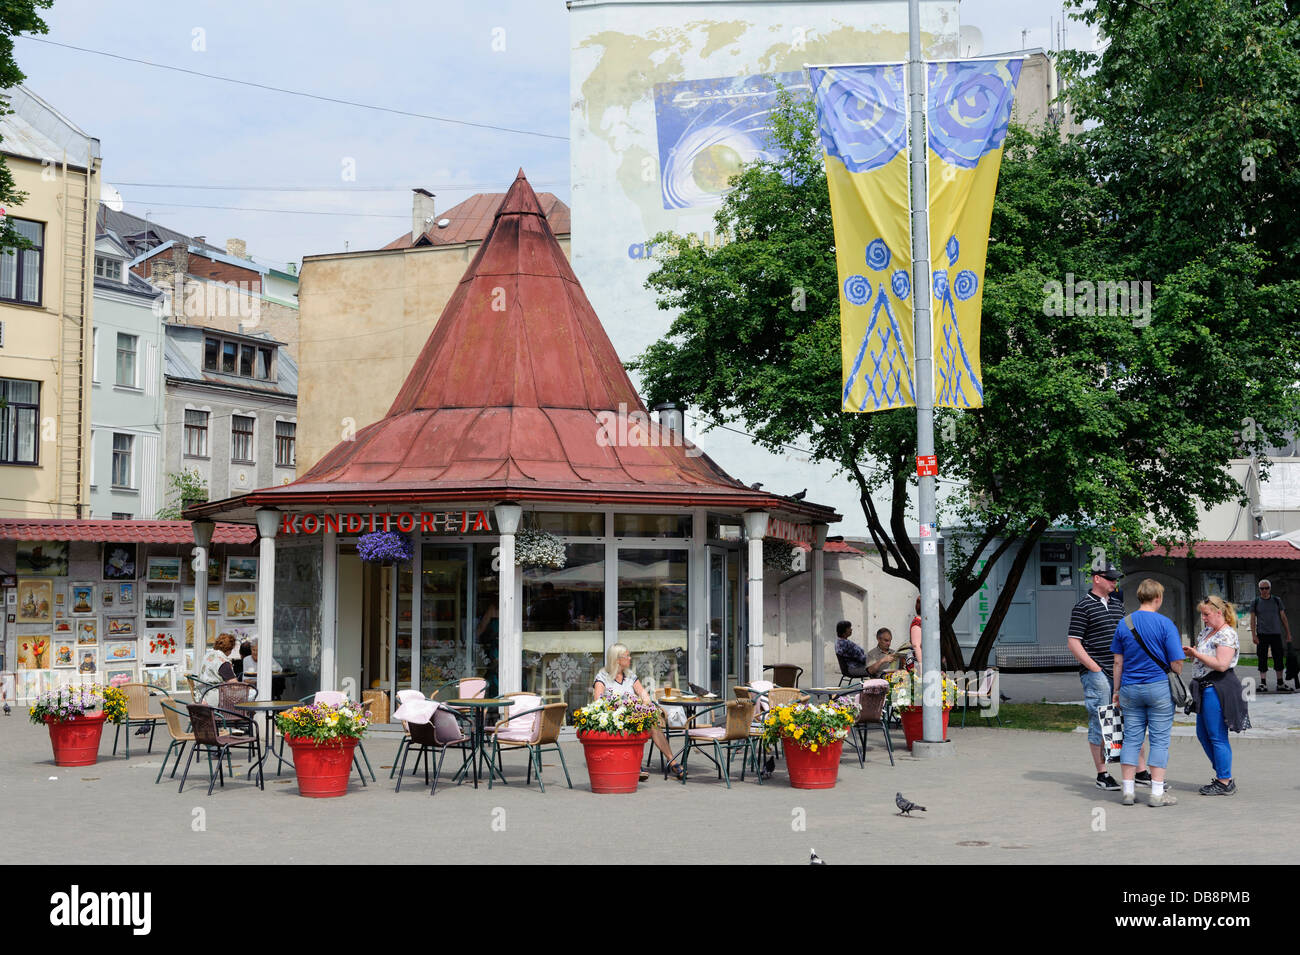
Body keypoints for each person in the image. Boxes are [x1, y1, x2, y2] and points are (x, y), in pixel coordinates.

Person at [1066, 565, 1149, 790]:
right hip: (1098, 673)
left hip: (1120, 670)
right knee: (1103, 719)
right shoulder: (1083, 606)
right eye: (1110, 579)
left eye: (1116, 580)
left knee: (1132, 718)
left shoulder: (1116, 604)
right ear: (1097, 579)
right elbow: (1073, 642)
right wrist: (1094, 668)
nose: (1115, 583)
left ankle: (1140, 771)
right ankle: (1102, 773)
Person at [1109, 579, 1185, 807]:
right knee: (1160, 741)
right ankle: (1157, 794)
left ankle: (1128, 791)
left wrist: (1116, 691)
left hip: (1130, 689)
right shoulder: (1165, 624)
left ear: (1140, 597)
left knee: (1131, 739)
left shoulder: (1124, 624)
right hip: (1159, 688)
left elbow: (1117, 662)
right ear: (1158, 598)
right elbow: (1176, 662)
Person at [1184, 594, 1251, 796]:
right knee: (1203, 734)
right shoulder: (1207, 632)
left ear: (1218, 613)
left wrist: (1196, 654)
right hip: (1204, 687)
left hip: (1218, 686)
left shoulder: (1227, 634)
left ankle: (1224, 780)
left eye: (1206, 614)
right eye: (1202, 615)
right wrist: (1193, 653)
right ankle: (1224, 775)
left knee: (1216, 736)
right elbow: (1204, 657)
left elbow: (1222, 665)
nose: (1203, 618)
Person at [593, 643, 684, 780]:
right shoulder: (602, 677)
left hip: (632, 716)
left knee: (652, 724)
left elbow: (643, 694)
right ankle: (635, 765)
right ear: (617, 659)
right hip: (613, 719)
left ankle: (672, 761)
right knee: (635, 724)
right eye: (627, 656)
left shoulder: (630, 676)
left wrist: (643, 703)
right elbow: (598, 703)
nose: (630, 658)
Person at [1250, 579, 1292, 692]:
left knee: (1278, 657)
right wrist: (1254, 635)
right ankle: (1263, 684)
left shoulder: (1277, 600)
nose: (1264, 590)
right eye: (1262, 588)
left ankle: (1280, 683)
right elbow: (1253, 619)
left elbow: (1283, 618)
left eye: (1266, 588)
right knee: (1262, 658)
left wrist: (1288, 633)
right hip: (1262, 634)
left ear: (1270, 588)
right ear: (1259, 589)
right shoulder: (1256, 601)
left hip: (1276, 633)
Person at [909, 596, 922, 668]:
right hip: (919, 664)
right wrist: (921, 666)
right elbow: (916, 646)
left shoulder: (924, 622)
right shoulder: (917, 622)